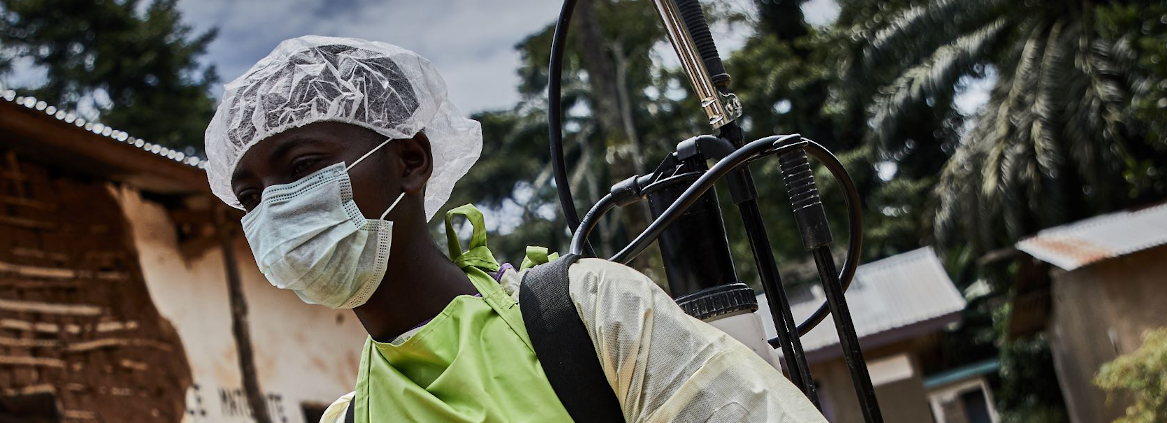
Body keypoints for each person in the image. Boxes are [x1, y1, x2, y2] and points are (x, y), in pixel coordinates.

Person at [204, 35, 826, 423]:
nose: (278, 208)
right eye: (252, 196)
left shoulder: (585, 316)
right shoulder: (350, 419)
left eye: (304, 167)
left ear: (411, 160)